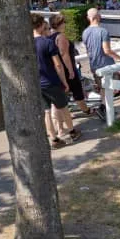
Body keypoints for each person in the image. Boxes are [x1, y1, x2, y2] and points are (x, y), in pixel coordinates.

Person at [33, 14, 80, 149]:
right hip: (51, 81)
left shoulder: (27, 44)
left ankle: (53, 139)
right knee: (63, 107)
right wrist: (64, 82)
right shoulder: (47, 43)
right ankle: (72, 132)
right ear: (42, 25)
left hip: (38, 83)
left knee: (46, 112)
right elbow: (58, 65)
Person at [48, 13, 94, 116]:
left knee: (62, 94)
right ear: (59, 24)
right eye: (64, 22)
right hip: (67, 69)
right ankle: (86, 110)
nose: (65, 24)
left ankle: (63, 117)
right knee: (77, 90)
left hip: (56, 69)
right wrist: (71, 70)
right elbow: (64, 54)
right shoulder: (61, 37)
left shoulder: (49, 37)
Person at [82, 8, 120, 104]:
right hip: (106, 65)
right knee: (110, 88)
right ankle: (108, 112)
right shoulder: (103, 31)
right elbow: (107, 51)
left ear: (88, 18)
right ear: (98, 17)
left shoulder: (85, 32)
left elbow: (88, 51)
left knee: (103, 89)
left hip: (94, 65)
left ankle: (105, 110)